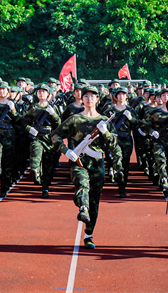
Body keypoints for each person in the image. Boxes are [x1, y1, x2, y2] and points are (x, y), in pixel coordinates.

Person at [52, 85, 118, 249]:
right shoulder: (75, 119)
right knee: (82, 184)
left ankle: (88, 234)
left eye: (93, 96)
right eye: (86, 96)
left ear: (97, 99)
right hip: (79, 162)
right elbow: (55, 135)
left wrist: (106, 132)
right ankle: (82, 206)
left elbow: (114, 144)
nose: (89, 99)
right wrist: (66, 151)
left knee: (94, 201)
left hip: (97, 163)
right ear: (82, 99)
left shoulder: (103, 120)